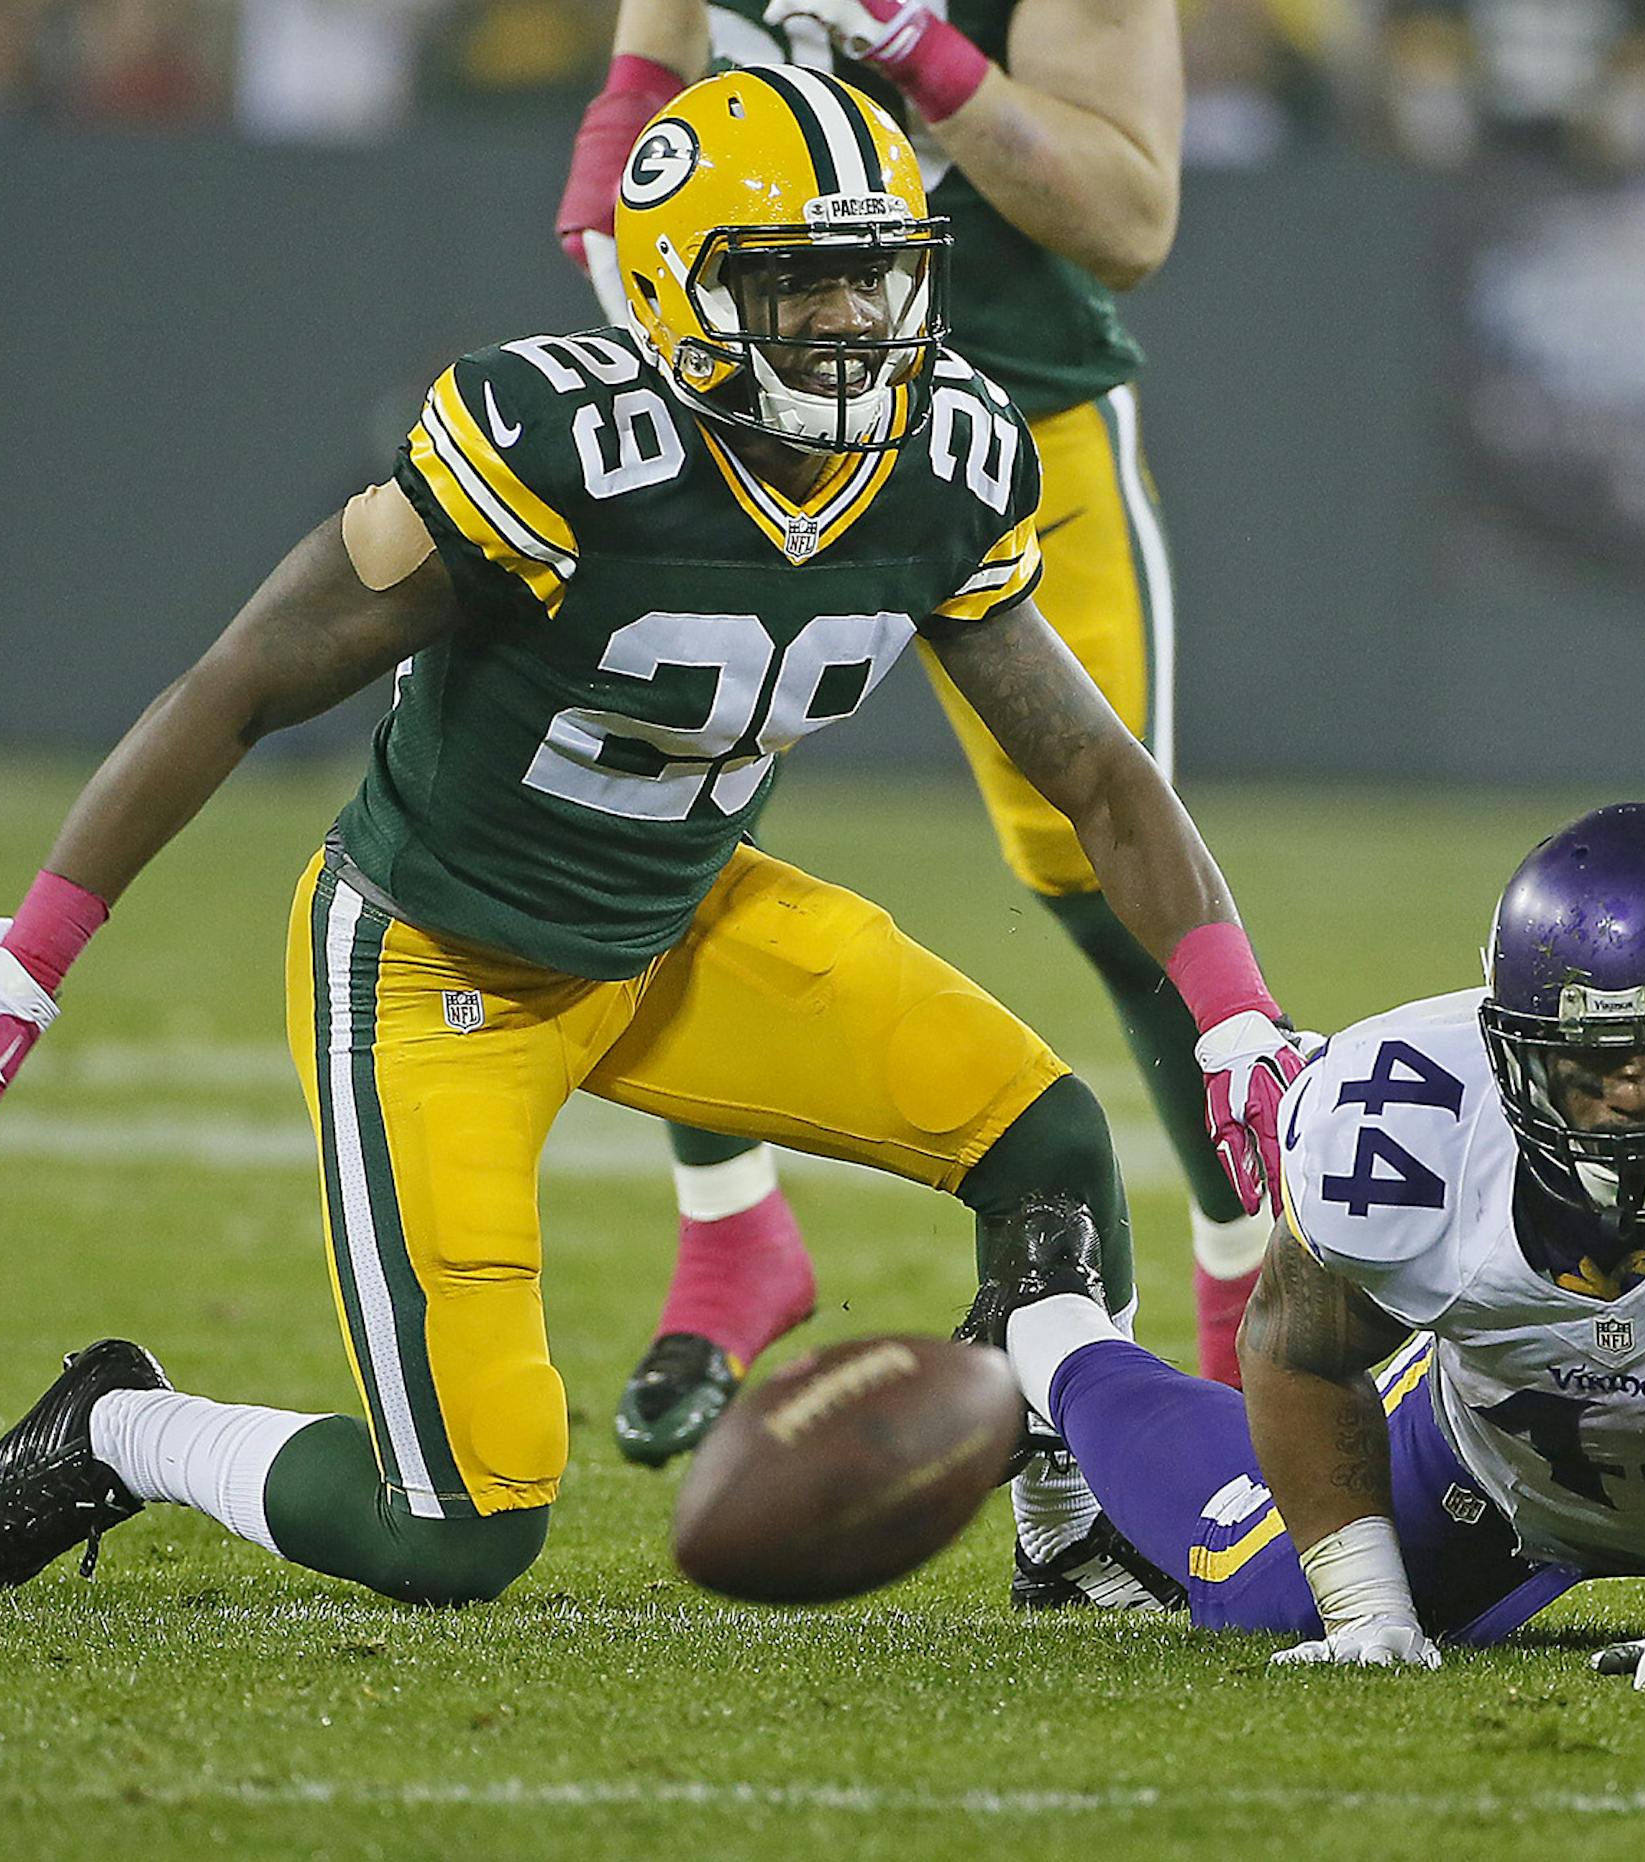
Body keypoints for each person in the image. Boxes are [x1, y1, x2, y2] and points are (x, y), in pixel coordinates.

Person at [0, 70, 1300, 1610]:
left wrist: (1236, 1017)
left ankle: (1069, 1529)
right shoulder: (556, 447)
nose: (849, 316)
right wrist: (28, 958)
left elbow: (1097, 772)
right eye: (795, 277)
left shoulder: (945, 458)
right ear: (681, 288)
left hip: (679, 925)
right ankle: (122, 1428)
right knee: (461, 1527)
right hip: (437, 965)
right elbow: (246, 680)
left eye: (873, 270)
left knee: (1053, 1152)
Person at [554, 0, 1273, 1469]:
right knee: (659, 785)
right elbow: (667, 37)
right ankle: (728, 1226)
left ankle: (1253, 1299)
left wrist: (922, 48)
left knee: (1106, 852)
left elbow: (1127, 220)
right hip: (748, 386)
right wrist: (626, 119)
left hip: (1009, 399)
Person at [964, 804, 1645, 1681]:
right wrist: (1370, 1612)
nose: (1631, 1097)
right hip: (1493, 1459)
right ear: (1506, 1050)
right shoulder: (1405, 1119)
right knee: (1264, 1596)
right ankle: (1053, 1331)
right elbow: (1294, 1347)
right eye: (1589, 1063)